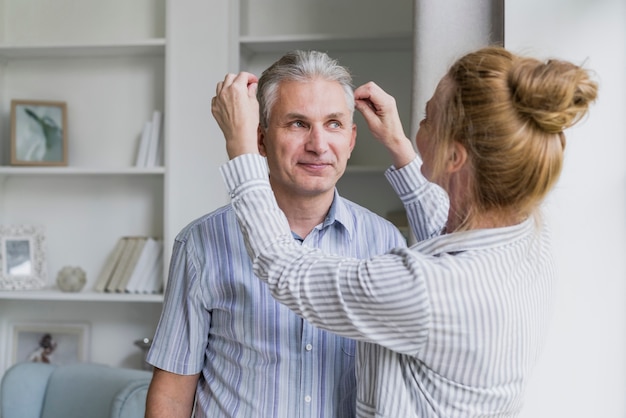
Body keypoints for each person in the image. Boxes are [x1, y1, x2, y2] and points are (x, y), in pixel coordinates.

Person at [212, 46, 598, 417]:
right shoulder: (529, 235)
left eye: (427, 118)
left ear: (454, 156)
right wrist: (398, 145)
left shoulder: (426, 287)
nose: (416, 129)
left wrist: (241, 147)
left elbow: (285, 269)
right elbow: (450, 234)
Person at [145, 50, 407, 418]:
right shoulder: (202, 243)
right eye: (298, 124)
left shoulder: (386, 244)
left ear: (351, 139)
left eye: (333, 123)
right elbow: (172, 395)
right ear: (261, 140)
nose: (318, 144)